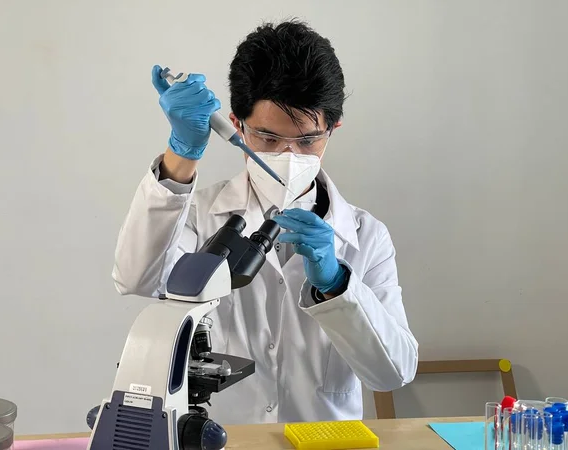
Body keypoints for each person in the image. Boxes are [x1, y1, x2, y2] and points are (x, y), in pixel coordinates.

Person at [112, 19, 418, 425]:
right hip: (227, 437)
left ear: (333, 128)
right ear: (236, 125)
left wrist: (337, 286)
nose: (289, 155)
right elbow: (136, 278)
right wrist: (181, 151)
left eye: (308, 140)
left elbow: (392, 374)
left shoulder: (366, 236)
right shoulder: (202, 215)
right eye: (268, 139)